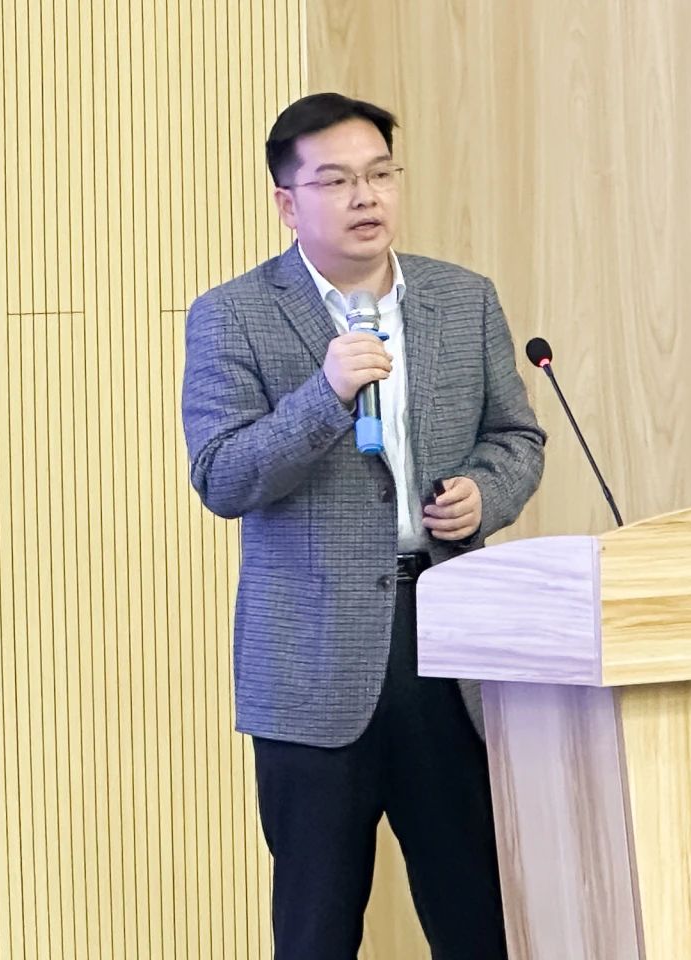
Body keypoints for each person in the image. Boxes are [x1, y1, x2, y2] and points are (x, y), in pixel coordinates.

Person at [182, 91, 546, 960]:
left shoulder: (463, 299)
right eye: (336, 180)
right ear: (287, 202)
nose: (365, 196)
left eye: (380, 174)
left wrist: (485, 493)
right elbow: (222, 476)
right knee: (316, 930)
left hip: (450, 647)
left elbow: (516, 437)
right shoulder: (233, 313)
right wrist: (326, 394)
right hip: (311, 665)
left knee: (479, 919)